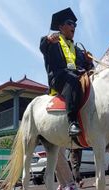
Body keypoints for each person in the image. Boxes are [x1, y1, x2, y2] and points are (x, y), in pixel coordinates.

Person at [40, 7, 94, 137]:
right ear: (60, 26)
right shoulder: (53, 41)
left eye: (74, 24)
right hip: (59, 78)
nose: (73, 26)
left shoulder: (78, 50)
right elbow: (43, 46)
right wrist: (48, 40)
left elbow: (87, 68)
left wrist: (88, 61)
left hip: (75, 76)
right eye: (70, 23)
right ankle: (73, 122)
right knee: (73, 80)